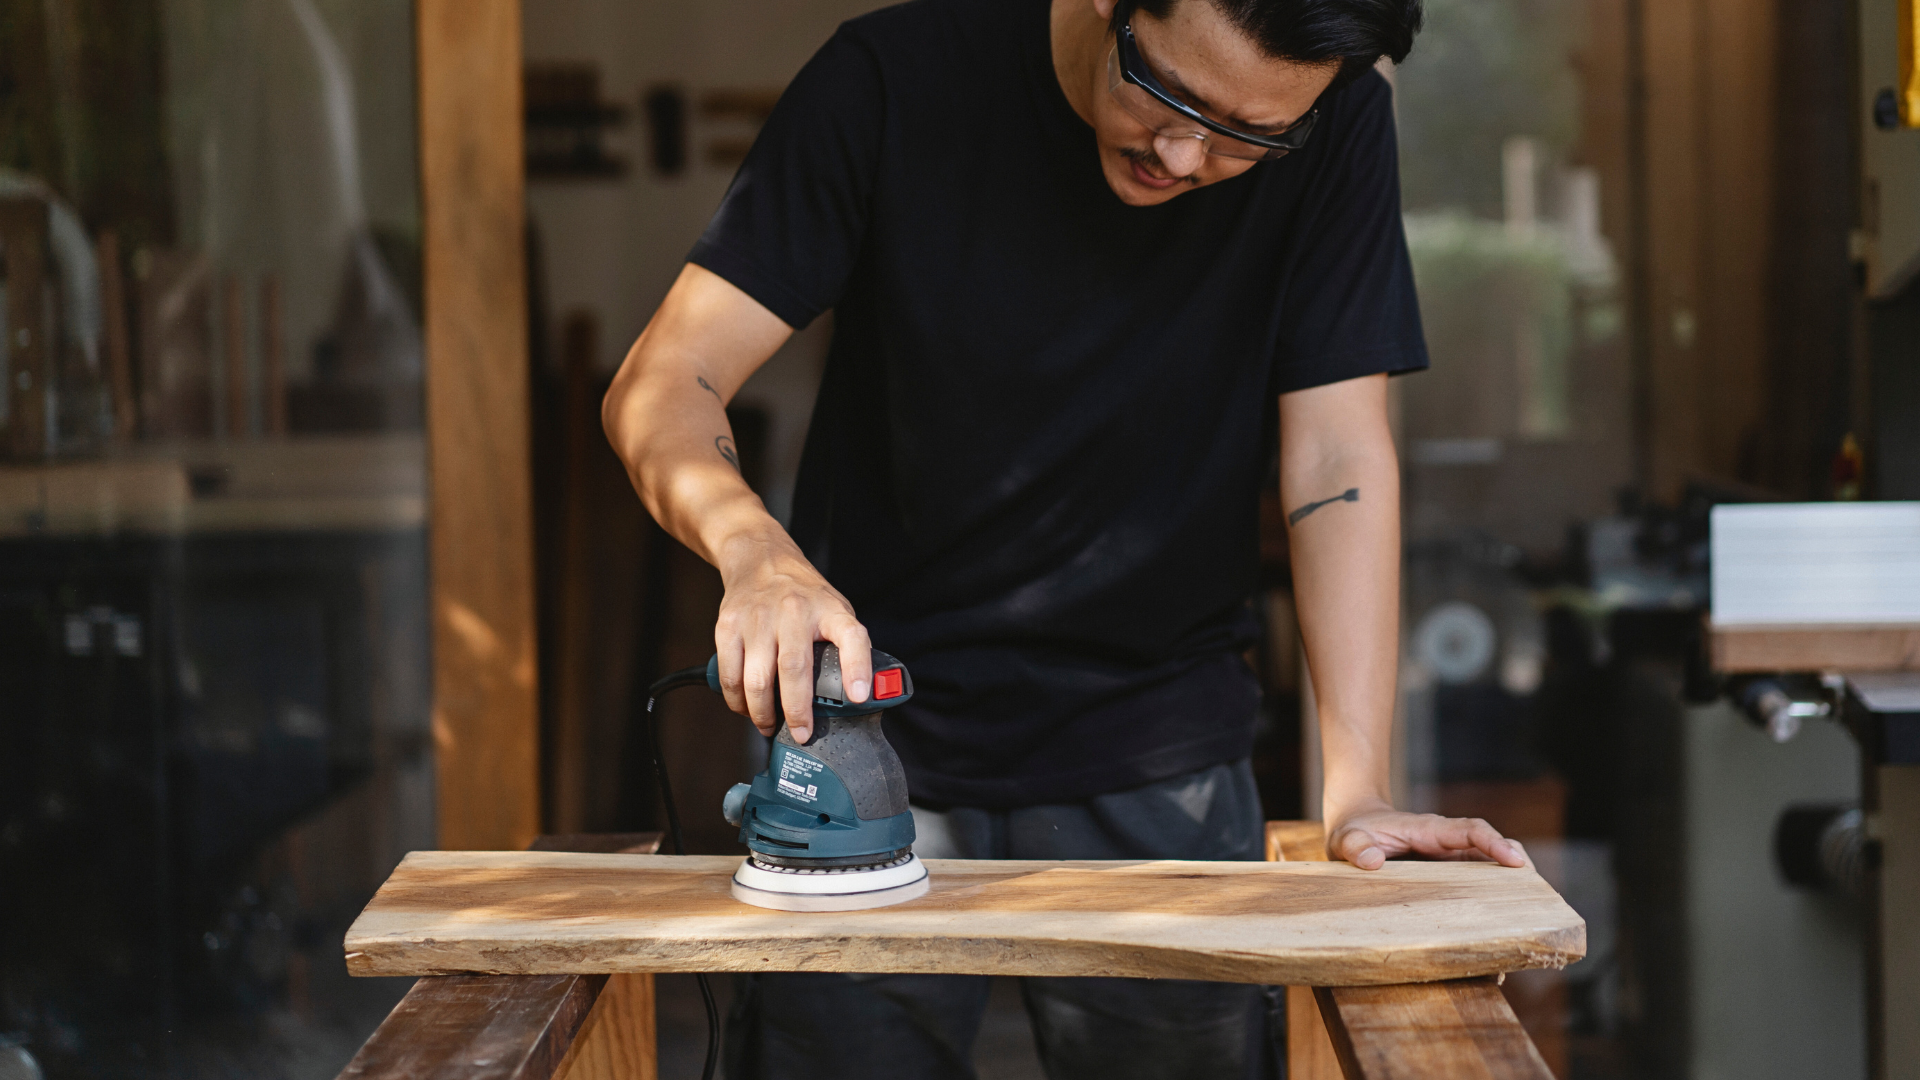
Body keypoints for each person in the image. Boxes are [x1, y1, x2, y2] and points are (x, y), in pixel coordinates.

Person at [604, 0, 1526, 1075]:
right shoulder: (894, 77)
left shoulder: (1338, 124)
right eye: (1168, 93)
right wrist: (753, 552)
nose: (1185, 155)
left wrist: (1358, 785)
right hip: (868, 744)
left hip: (1161, 744)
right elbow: (664, 383)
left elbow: (1335, 458)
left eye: (1248, 135)